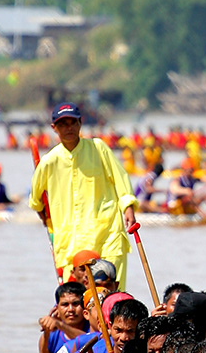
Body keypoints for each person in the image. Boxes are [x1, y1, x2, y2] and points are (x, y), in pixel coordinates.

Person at [29, 103, 138, 284]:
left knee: (112, 297)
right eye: (63, 124)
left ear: (81, 123)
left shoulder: (98, 148)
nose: (69, 128)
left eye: (73, 122)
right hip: (71, 242)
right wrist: (45, 217)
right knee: (75, 303)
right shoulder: (49, 161)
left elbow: (121, 180)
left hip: (107, 235)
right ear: (54, 128)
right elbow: (35, 200)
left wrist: (128, 207)